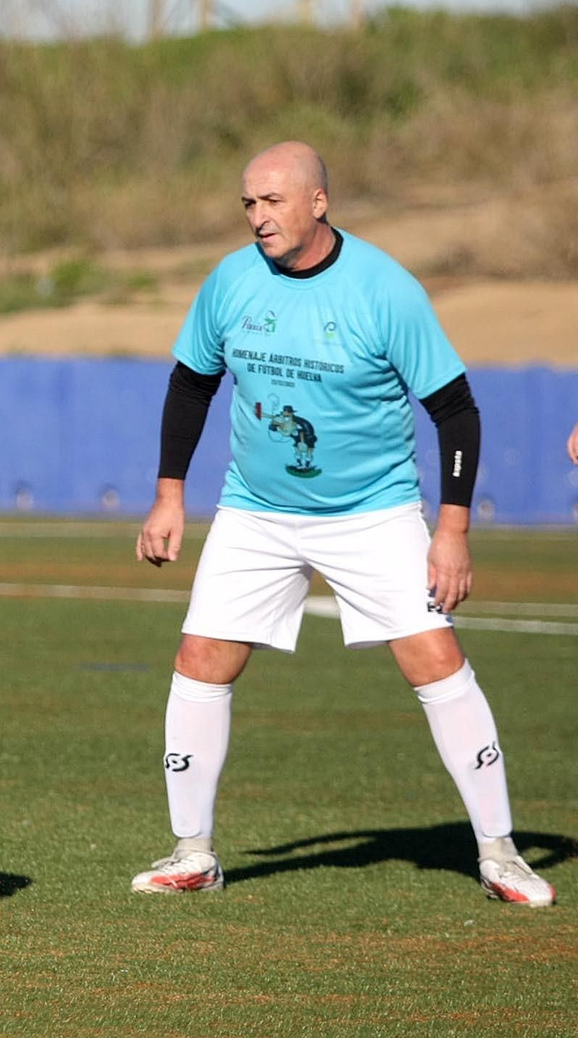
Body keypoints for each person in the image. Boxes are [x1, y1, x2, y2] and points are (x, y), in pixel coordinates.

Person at [131, 141, 553, 906]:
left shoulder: (384, 290)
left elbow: (455, 410)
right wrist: (169, 494)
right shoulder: (231, 280)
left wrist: (450, 530)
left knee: (433, 660)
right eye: (249, 204)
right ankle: (192, 852)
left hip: (374, 511)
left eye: (273, 202)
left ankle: (500, 853)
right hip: (256, 510)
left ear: (318, 203)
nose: (258, 217)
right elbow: (191, 384)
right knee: (201, 659)